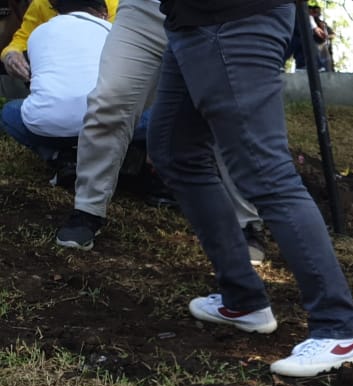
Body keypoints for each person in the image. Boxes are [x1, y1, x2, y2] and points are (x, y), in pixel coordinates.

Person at [149, 0, 353, 377]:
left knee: (265, 171)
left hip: (230, 19)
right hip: (191, 22)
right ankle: (242, 298)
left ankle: (338, 330)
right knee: (175, 152)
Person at [51, 0, 266, 256]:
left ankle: (246, 223)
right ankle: (88, 209)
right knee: (109, 100)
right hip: (144, 9)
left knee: (225, 113)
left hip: (216, 11)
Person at [0, 0, 111, 184]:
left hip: (56, 122)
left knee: (11, 113)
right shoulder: (40, 5)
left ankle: (61, 156)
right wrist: (11, 55)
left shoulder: (39, 34)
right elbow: (20, 40)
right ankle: (69, 156)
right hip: (106, 124)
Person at [0, 0, 116, 82]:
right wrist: (11, 54)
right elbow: (22, 38)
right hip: (56, 72)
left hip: (102, 73)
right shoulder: (41, 4)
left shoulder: (115, 6)